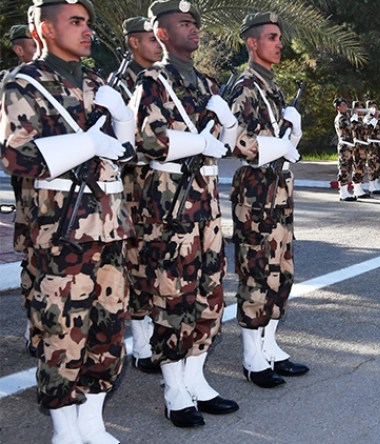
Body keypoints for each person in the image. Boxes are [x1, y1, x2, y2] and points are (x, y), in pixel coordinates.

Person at [1, 1, 135, 442]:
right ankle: (64, 430)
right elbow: (16, 156)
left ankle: (93, 423)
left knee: (108, 327)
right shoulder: (23, 84)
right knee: (61, 329)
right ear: (44, 28)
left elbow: (126, 153)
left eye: (88, 23)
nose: (87, 30)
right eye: (75, 22)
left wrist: (121, 120)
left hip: (110, 226)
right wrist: (86, 143)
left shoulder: (97, 82)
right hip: (59, 230)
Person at [134, 0, 238, 427]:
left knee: (210, 296)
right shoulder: (153, 81)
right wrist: (200, 138)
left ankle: (196, 379)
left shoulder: (210, 83)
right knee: (173, 298)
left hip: (207, 206)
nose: (193, 28)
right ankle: (174, 388)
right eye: (183, 23)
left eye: (195, 23)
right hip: (170, 207)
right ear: (161, 33)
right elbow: (151, 140)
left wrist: (226, 122)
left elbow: (229, 142)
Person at [226, 11, 309, 390]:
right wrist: (282, 143)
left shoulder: (271, 87)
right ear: (252, 43)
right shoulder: (245, 86)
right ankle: (250, 356)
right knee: (257, 273)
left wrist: (291, 129)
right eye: (272, 37)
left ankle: (269, 345)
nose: (280, 43)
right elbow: (240, 141)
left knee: (282, 272)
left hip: (278, 192)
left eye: (279, 37)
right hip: (256, 194)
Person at [119, 15, 163, 375]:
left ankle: (160, 332)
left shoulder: (165, 80)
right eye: (150, 38)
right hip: (134, 188)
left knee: (159, 261)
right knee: (137, 261)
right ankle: (142, 342)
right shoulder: (122, 84)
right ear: (134, 42)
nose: (156, 43)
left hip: (161, 189)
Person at [3, 22, 41, 358]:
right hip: (30, 189)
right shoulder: (17, 82)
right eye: (33, 41)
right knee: (33, 257)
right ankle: (34, 325)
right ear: (19, 48)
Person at [333, 97, 356, 201]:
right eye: (343, 105)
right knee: (344, 168)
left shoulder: (345, 117)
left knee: (348, 167)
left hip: (349, 145)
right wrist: (355, 118)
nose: (346, 107)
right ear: (338, 107)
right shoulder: (341, 118)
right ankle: (343, 192)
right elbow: (351, 127)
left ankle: (345, 191)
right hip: (344, 146)